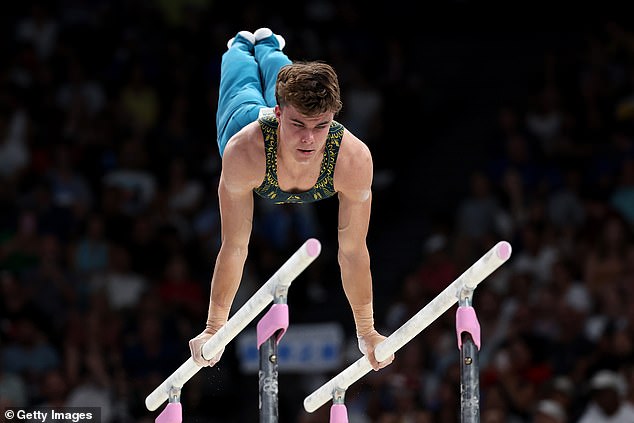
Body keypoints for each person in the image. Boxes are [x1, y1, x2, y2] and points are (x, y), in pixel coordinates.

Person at [188, 28, 393, 371]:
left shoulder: (353, 160)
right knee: (241, 80)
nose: (309, 139)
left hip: (281, 130)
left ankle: (269, 46)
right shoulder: (245, 151)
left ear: (334, 118)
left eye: (321, 126)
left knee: (283, 75)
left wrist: (367, 331)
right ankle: (242, 44)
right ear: (279, 114)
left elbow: (353, 250)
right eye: (299, 124)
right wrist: (214, 326)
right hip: (246, 120)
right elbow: (236, 245)